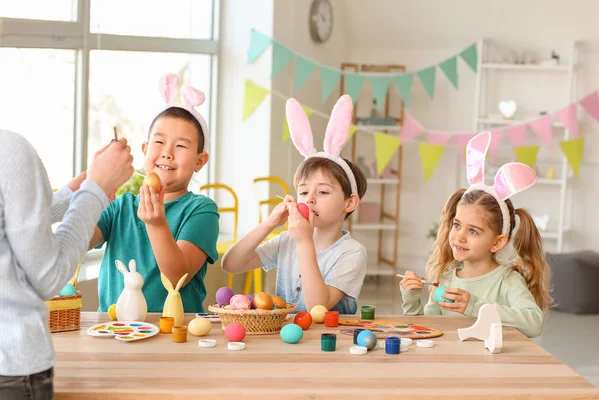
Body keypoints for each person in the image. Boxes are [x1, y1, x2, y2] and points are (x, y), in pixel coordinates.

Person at [0, 129, 133, 399]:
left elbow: (12, 218)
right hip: (11, 365)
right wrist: (94, 190)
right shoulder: (9, 149)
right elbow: (49, 277)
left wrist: (81, 189)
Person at [222, 95, 368, 314]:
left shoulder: (351, 253)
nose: (309, 199)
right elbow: (231, 264)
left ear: (350, 202)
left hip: (330, 344)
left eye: (323, 191)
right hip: (286, 341)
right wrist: (268, 225)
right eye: (303, 191)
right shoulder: (286, 241)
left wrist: (304, 242)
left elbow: (317, 308)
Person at [400, 131, 553, 338]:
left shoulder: (506, 280)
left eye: (473, 231)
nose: (459, 237)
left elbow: (534, 323)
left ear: (497, 242)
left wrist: (475, 306)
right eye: (457, 225)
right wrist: (411, 298)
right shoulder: (446, 278)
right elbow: (429, 328)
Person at [89, 73, 219, 313]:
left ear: (200, 161)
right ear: (145, 150)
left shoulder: (202, 210)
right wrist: (93, 191)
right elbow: (77, 241)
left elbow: (177, 277)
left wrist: (156, 224)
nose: (167, 153)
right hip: (114, 333)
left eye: (180, 146)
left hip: (174, 337)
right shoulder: (121, 207)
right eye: (159, 143)